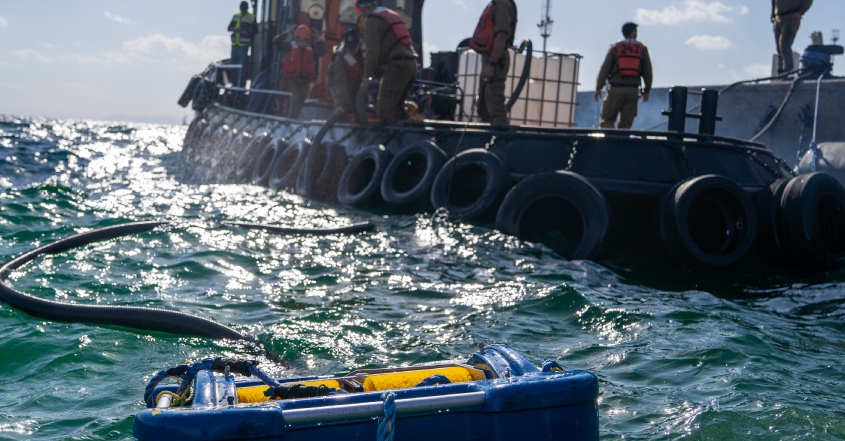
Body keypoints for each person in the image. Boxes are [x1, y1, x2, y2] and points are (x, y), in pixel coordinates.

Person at [356, 0, 419, 125]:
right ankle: (405, 136)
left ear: (361, 8)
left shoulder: (372, 21)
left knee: (383, 109)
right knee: (397, 108)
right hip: (411, 65)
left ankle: (388, 142)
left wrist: (365, 79)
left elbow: (371, 53)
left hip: (397, 66)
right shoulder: (389, 14)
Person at [594, 22, 653, 130]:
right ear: (633, 32)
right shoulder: (642, 49)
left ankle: (609, 144)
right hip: (633, 91)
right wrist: (647, 90)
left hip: (616, 90)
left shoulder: (615, 48)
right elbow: (648, 72)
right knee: (625, 125)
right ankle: (622, 143)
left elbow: (605, 69)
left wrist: (598, 87)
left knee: (607, 120)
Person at [469, 0, 518, 126]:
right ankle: (487, 136)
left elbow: (502, 35)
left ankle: (501, 140)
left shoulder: (502, 4)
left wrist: (492, 64)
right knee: (483, 105)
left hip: (496, 58)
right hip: (490, 57)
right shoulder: (496, 3)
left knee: (495, 105)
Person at [273, 24, 328, 119]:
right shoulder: (289, 47)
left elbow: (323, 50)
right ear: (296, 39)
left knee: (300, 102)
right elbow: (276, 41)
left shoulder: (311, 49)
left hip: (304, 82)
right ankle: (289, 121)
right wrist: (287, 33)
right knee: (293, 100)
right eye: (301, 40)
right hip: (290, 81)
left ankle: (291, 120)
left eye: (305, 40)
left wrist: (318, 37)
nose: (303, 43)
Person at [772, 0, 813, 74]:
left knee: (784, 44)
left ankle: (788, 69)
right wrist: (773, 16)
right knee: (779, 46)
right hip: (778, 17)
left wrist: (800, 12)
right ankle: (780, 70)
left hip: (791, 16)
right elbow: (773, 3)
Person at [327, 30, 364, 112]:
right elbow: (340, 83)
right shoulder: (340, 58)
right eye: (349, 48)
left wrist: (367, 81)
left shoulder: (367, 50)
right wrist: (339, 104)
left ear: (359, 44)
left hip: (359, 81)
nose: (351, 50)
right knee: (344, 106)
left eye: (354, 47)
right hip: (338, 80)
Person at [227, 1, 256, 87]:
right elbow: (229, 28)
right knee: (233, 65)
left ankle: (242, 85)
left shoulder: (251, 17)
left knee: (243, 66)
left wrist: (246, 29)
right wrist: (236, 29)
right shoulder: (236, 16)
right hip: (235, 45)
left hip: (244, 45)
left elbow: (255, 31)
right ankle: (234, 84)